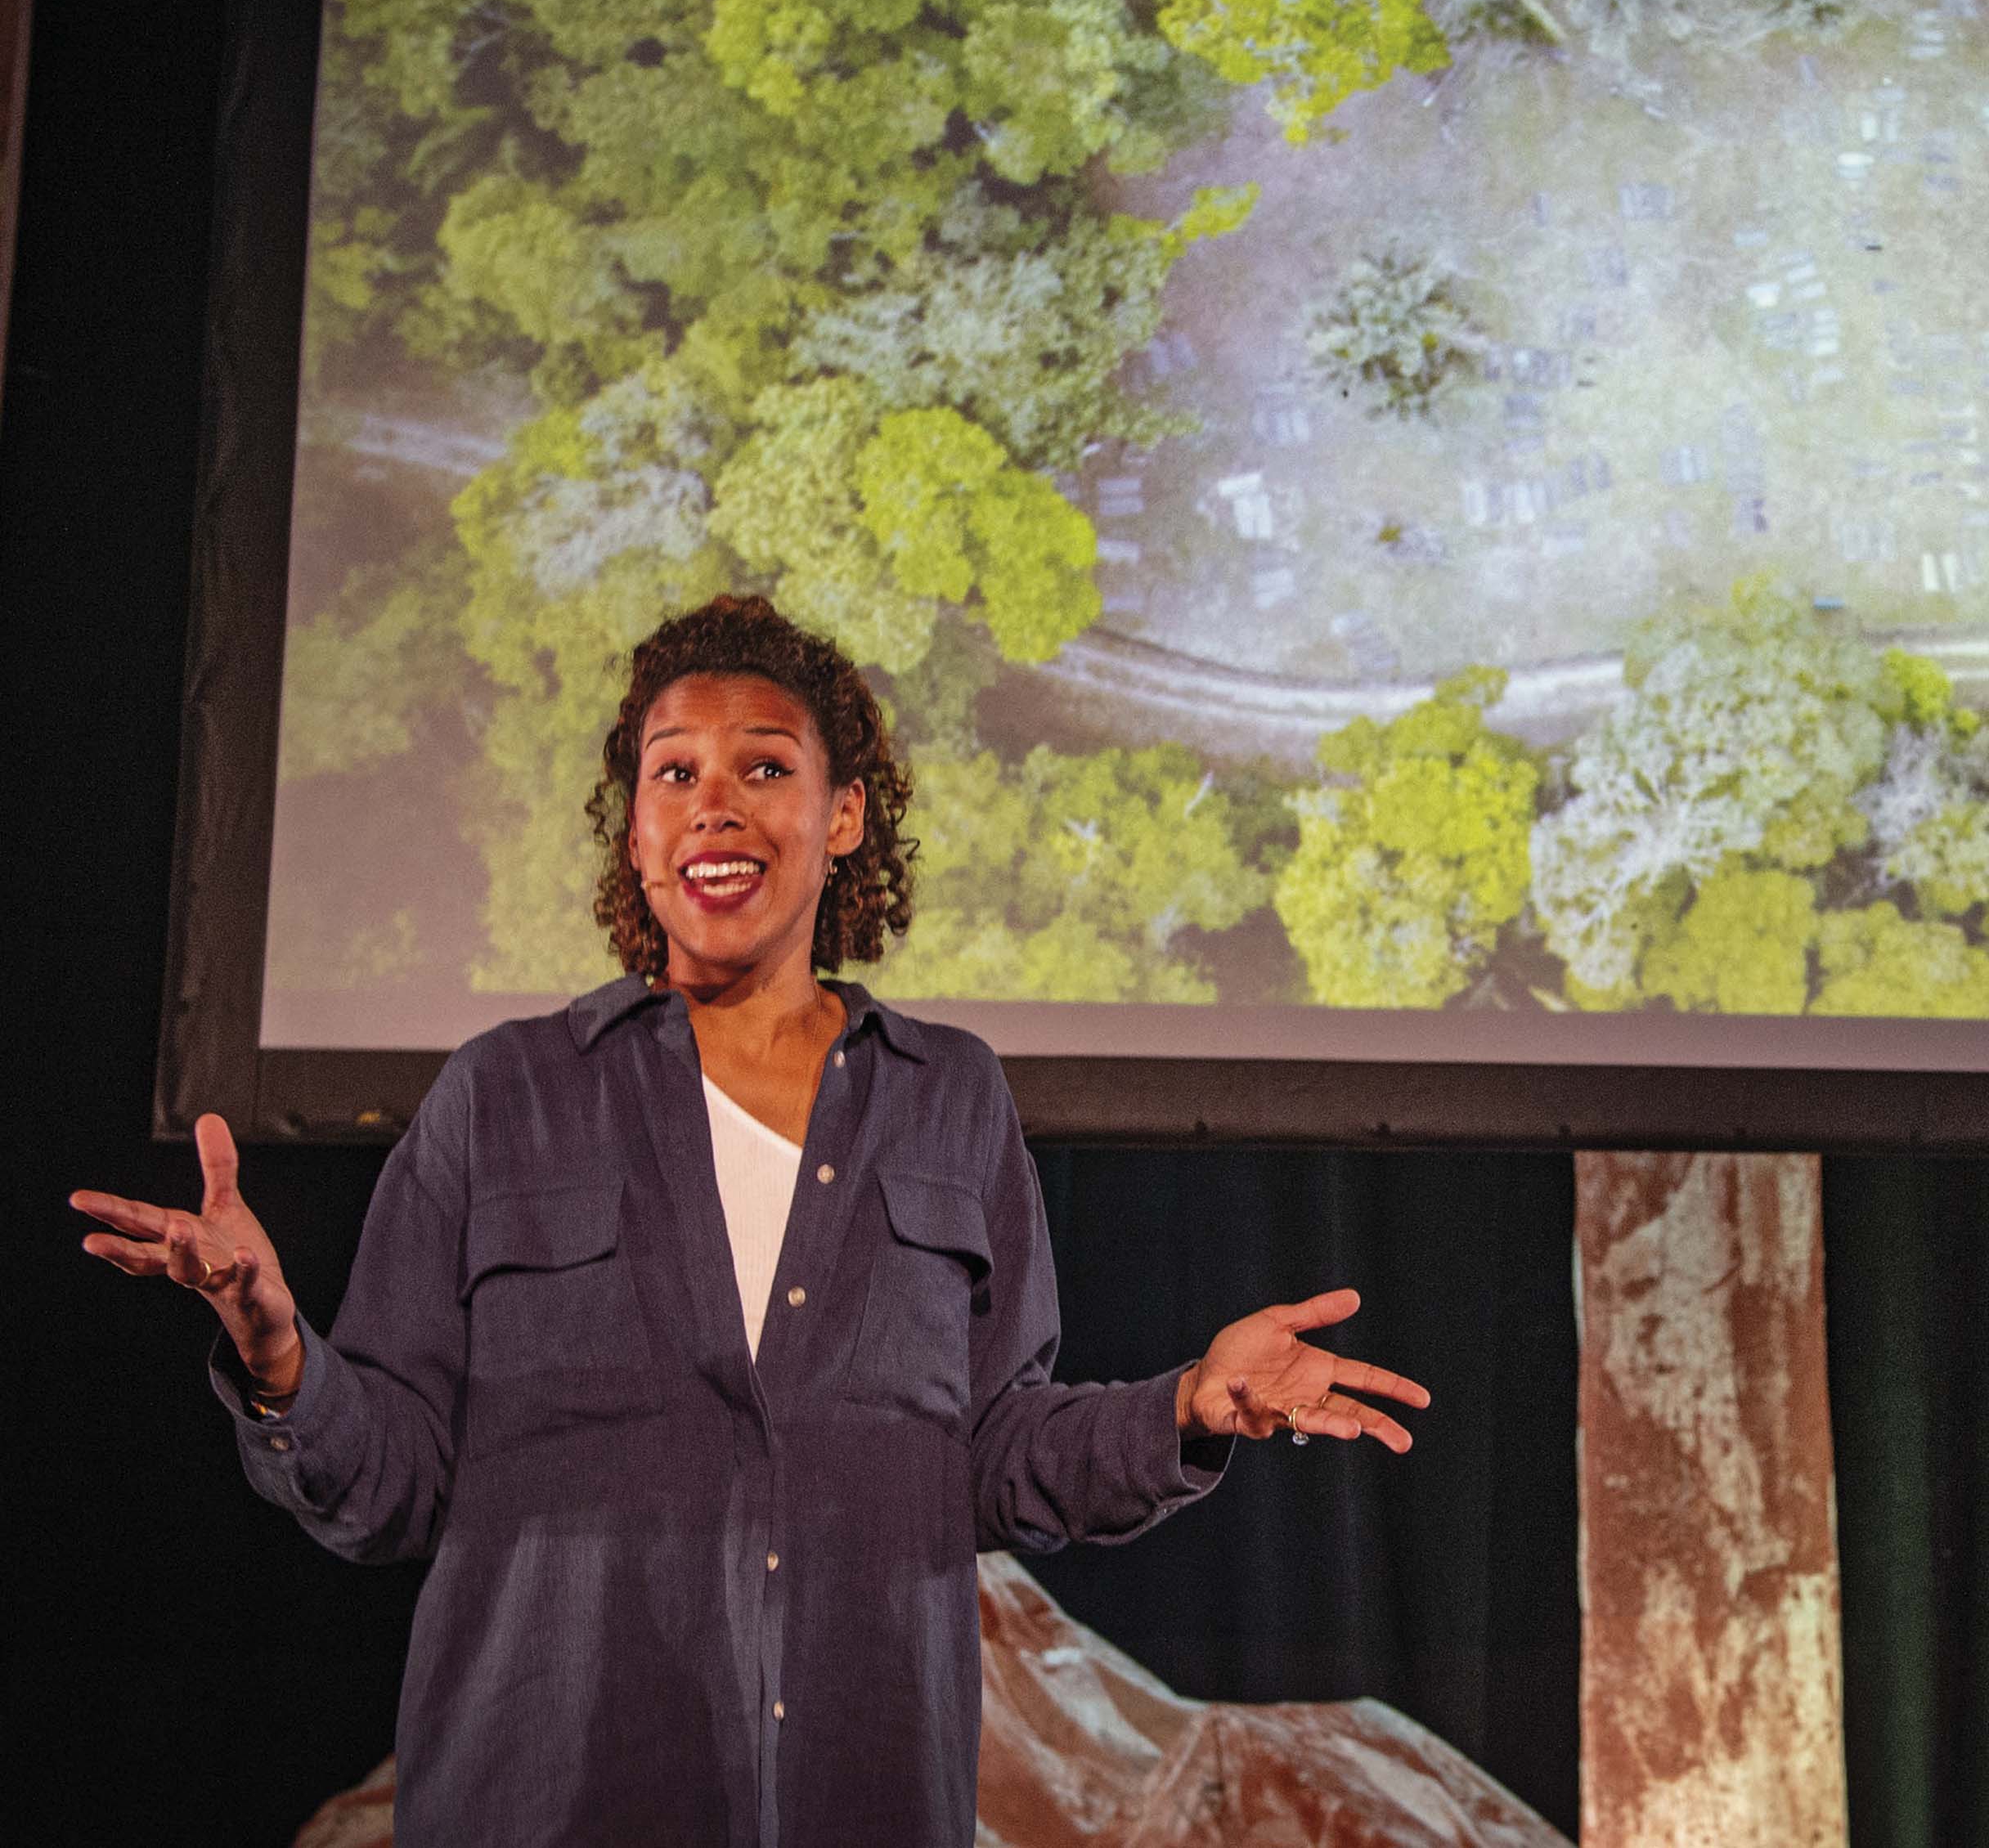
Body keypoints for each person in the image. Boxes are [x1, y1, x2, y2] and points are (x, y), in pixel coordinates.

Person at [70, 594, 1430, 1847]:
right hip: (545, 1801)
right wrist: (277, 1348)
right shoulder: (506, 1097)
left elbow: (998, 1455)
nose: (714, 806)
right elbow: (395, 1484)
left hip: (863, 1796)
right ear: (638, 831)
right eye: (676, 775)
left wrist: (1189, 1402)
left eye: (765, 768)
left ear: (843, 818)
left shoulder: (949, 1098)